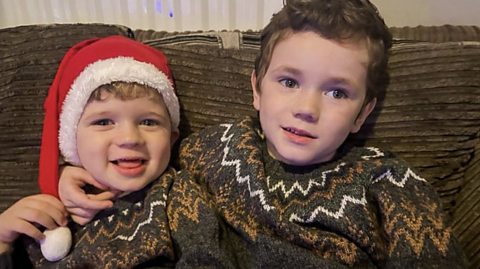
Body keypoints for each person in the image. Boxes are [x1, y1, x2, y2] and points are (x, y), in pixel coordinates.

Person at [57, 0, 467, 268]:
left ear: (363, 113)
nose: (307, 109)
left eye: (337, 92)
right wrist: (69, 172)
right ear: (256, 89)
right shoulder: (209, 149)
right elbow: (136, 156)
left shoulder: (389, 181)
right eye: (289, 82)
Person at [0, 35, 222, 269]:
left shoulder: (180, 197)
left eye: (148, 122)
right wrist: (3, 240)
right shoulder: (45, 214)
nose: (129, 139)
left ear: (172, 137)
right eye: (104, 122)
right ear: (70, 140)